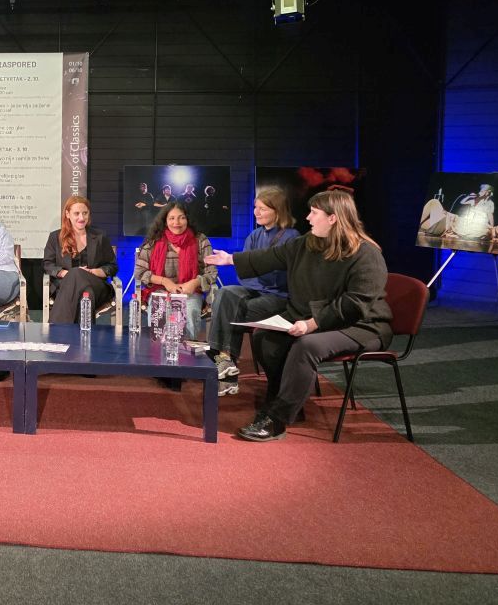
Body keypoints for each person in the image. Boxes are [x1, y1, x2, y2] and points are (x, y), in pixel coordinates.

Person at [206, 190, 392, 442]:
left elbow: (355, 304)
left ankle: (277, 419)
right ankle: (283, 400)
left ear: (333, 218)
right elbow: (271, 256)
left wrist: (313, 324)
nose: (308, 217)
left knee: (306, 346)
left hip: (361, 326)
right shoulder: (308, 243)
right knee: (265, 339)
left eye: (314, 213)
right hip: (316, 317)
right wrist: (230, 259)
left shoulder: (366, 254)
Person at [206, 188, 299, 395]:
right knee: (225, 293)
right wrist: (259, 278)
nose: (256, 212)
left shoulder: (292, 237)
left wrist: (259, 277)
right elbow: (245, 275)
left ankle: (224, 367)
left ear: (277, 210)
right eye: (255, 207)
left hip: (279, 297)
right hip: (254, 290)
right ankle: (225, 361)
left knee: (231, 310)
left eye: (262, 209)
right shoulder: (254, 236)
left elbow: (282, 276)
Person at [133, 202, 215, 340]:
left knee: (188, 312)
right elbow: (139, 272)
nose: (176, 223)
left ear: (187, 219)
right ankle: (156, 351)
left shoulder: (200, 240)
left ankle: (185, 350)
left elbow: (211, 272)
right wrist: (165, 281)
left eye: (181, 218)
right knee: (159, 316)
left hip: (190, 292)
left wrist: (195, 282)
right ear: (165, 221)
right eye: (171, 218)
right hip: (160, 290)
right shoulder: (154, 240)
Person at [43, 195, 117, 323]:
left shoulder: (100, 236)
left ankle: (57, 330)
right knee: (85, 293)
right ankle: (85, 333)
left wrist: (92, 272)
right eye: (76, 213)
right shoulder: (55, 237)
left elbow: (112, 266)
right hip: (65, 287)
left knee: (77, 274)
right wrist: (66, 273)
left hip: (96, 285)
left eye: (85, 213)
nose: (81, 218)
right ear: (68, 214)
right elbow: (47, 264)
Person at [419, 183, 495, 240]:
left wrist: (492, 227)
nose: (480, 192)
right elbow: (462, 202)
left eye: (482, 191)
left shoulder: (490, 204)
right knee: (423, 223)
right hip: (461, 222)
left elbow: (490, 215)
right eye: (480, 190)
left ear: (487, 192)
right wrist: (469, 196)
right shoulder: (475, 200)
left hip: (464, 226)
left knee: (434, 202)